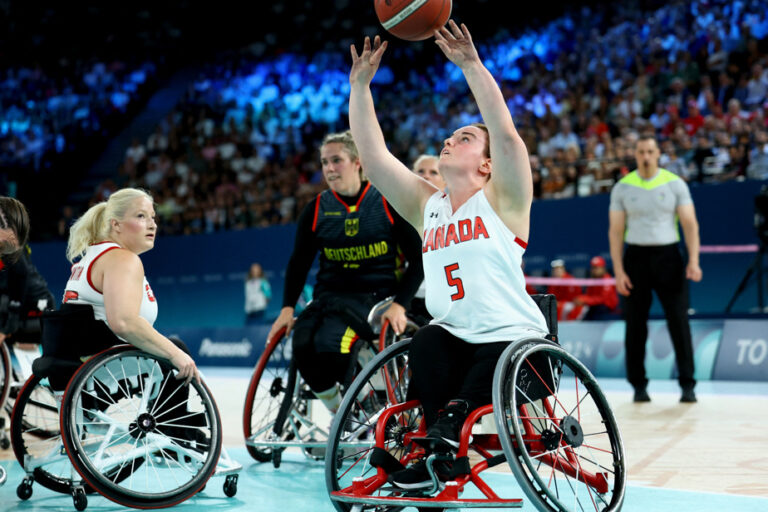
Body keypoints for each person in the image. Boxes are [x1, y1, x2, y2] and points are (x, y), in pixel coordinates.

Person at [348, 22, 549, 489]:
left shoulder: (505, 199)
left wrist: (472, 67)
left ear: (486, 163)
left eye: (463, 138)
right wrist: (360, 88)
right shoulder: (428, 207)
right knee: (426, 341)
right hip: (454, 338)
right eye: (449, 137)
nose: (448, 141)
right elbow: (375, 160)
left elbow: (505, 132)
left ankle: (445, 434)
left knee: (485, 357)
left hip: (513, 340)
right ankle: (432, 447)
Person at [266, 130, 423, 415]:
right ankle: (342, 414)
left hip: (375, 296)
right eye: (325, 162)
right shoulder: (316, 209)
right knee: (302, 344)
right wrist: (287, 308)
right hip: (329, 296)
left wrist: (400, 304)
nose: (329, 168)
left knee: (331, 345)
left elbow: (419, 259)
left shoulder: (386, 203)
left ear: (358, 161)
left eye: (336, 160)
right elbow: (298, 264)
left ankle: (362, 403)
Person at [58, 188, 199, 384]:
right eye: (141, 216)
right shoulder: (122, 260)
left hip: (75, 359)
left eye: (153, 217)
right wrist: (175, 354)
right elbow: (123, 322)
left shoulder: (93, 255)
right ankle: (182, 416)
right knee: (176, 349)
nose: (152, 225)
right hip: (98, 369)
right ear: (116, 224)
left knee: (172, 347)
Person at [608, 135, 702, 404]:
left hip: (669, 256)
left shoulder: (675, 184)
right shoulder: (623, 188)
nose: (646, 156)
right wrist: (618, 271)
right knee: (635, 326)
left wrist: (693, 260)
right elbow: (615, 231)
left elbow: (690, 224)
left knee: (679, 322)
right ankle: (638, 386)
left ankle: (688, 385)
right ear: (635, 155)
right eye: (641, 152)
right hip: (635, 258)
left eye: (650, 151)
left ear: (658, 153)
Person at [410, 154, 445, 324]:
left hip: (447, 300)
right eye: (421, 171)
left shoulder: (456, 214)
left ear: (446, 180)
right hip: (409, 299)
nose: (426, 176)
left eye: (433, 172)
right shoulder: (396, 213)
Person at [0, 244, 55, 345]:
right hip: (37, 306)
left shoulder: (9, 244)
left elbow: (20, 274)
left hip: (33, 311)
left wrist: (8, 327)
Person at [559, 256, 619, 321]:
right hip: (594, 305)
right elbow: (589, 295)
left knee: (595, 310)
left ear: (603, 268)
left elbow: (603, 299)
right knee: (580, 309)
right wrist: (580, 298)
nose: (594, 270)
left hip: (606, 306)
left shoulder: (607, 279)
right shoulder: (592, 279)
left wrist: (585, 300)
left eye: (596, 268)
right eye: (593, 267)